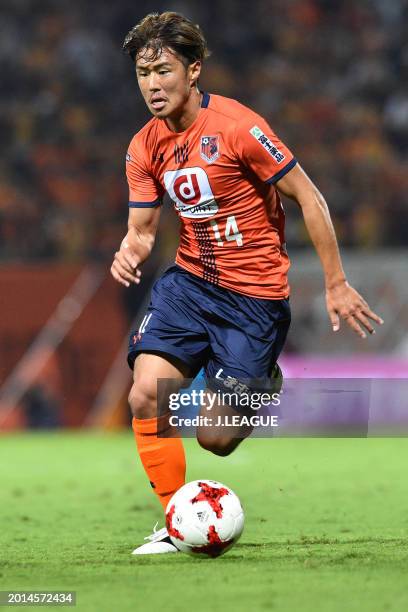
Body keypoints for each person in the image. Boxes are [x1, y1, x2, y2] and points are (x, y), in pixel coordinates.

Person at [110, 11, 383, 555]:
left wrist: (335, 282)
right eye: (142, 73)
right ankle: (173, 521)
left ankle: (263, 381)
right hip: (188, 284)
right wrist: (130, 250)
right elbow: (142, 230)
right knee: (146, 394)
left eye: (163, 70)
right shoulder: (144, 147)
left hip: (253, 301)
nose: (152, 85)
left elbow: (309, 197)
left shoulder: (238, 127)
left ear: (194, 70)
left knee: (215, 439)